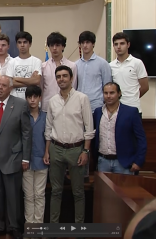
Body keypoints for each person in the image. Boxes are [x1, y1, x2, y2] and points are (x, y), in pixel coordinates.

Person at [0, 75, 32, 239]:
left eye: (3, 85)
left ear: (10, 88)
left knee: (13, 196)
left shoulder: (20, 104)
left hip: (13, 157)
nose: (0, 88)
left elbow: (26, 132)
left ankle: (14, 226)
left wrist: (25, 158)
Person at [44, 65, 94, 225]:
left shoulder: (82, 98)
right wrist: (47, 151)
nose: (61, 79)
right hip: (56, 149)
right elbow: (48, 128)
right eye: (58, 76)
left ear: (71, 78)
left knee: (78, 192)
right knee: (55, 191)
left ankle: (79, 227)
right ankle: (54, 228)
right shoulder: (52, 101)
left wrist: (85, 150)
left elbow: (89, 127)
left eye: (65, 76)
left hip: (76, 150)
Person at [93, 82, 147, 175]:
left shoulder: (131, 112)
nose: (108, 96)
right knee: (103, 190)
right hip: (103, 161)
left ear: (119, 93)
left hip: (124, 163)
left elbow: (141, 139)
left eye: (112, 93)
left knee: (124, 190)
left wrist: (139, 161)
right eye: (106, 93)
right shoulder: (98, 112)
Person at [23, 85, 48, 225]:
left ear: (40, 98)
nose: (32, 100)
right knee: (29, 195)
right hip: (26, 161)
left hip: (42, 160)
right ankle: (29, 225)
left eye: (35, 97)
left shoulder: (45, 116)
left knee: (39, 195)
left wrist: (46, 153)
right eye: (29, 97)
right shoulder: (23, 116)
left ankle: (38, 225)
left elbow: (49, 137)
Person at [110, 32, 149, 115]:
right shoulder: (110, 65)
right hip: (117, 110)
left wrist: (133, 97)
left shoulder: (137, 63)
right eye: (116, 44)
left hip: (134, 108)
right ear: (113, 46)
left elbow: (145, 87)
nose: (119, 47)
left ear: (128, 45)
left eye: (122, 43)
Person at [76, 31, 112, 112]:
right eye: (82, 43)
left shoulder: (102, 63)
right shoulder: (76, 65)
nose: (85, 45)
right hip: (79, 106)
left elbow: (107, 84)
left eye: (88, 42)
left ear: (93, 44)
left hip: (96, 106)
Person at [41, 32, 77, 112]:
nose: (54, 48)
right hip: (47, 107)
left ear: (63, 46)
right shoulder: (43, 67)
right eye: (51, 45)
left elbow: (73, 87)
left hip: (67, 107)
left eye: (57, 45)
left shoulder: (71, 66)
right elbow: (41, 88)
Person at [5, 31, 42, 100]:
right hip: (15, 101)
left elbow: (37, 81)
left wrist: (17, 79)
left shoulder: (37, 61)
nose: (22, 45)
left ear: (30, 44)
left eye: (25, 42)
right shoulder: (11, 62)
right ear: (16, 45)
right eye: (19, 42)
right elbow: (9, 83)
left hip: (32, 101)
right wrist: (30, 80)